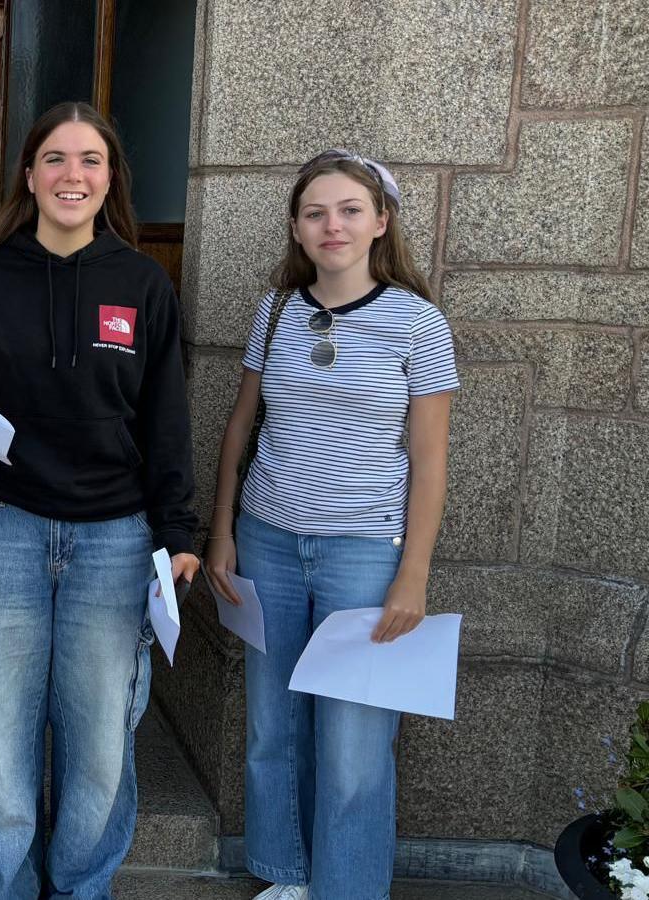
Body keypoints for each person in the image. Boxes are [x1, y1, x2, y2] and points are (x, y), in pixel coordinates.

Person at [0, 101, 198, 899]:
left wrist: (177, 530)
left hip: (114, 537)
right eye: (55, 159)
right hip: (0, 527)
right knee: (0, 738)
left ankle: (82, 888)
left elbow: (166, 420)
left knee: (100, 741)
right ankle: (4, 889)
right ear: (30, 176)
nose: (72, 175)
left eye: (90, 161)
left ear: (110, 179)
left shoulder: (143, 285)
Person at [203, 150, 457, 900]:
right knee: (271, 728)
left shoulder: (418, 323)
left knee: (353, 745)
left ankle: (345, 889)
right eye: (316, 212)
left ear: (381, 221)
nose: (332, 225)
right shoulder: (275, 311)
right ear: (296, 226)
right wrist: (222, 530)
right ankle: (285, 877)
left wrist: (413, 572)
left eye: (350, 209)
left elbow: (431, 460)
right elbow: (240, 427)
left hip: (363, 556)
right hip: (269, 543)